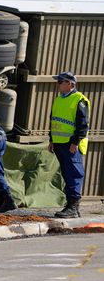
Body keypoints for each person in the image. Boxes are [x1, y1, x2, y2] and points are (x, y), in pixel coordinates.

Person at [49, 71, 90, 218]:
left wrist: (75, 142)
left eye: (60, 81)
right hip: (60, 143)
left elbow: (83, 125)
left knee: (74, 174)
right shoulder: (59, 99)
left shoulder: (79, 100)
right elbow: (53, 120)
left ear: (70, 84)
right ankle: (71, 206)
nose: (58, 84)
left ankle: (73, 207)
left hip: (71, 144)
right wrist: (51, 139)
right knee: (67, 174)